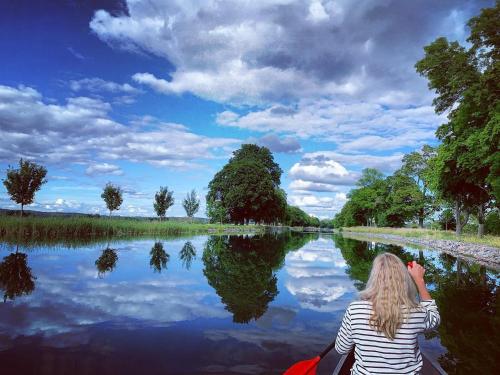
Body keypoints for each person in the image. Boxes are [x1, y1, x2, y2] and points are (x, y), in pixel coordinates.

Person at [335, 253, 440, 374]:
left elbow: (341, 349)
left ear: (374, 278)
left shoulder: (355, 310)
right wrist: (420, 280)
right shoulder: (416, 312)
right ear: (403, 280)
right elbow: (435, 318)